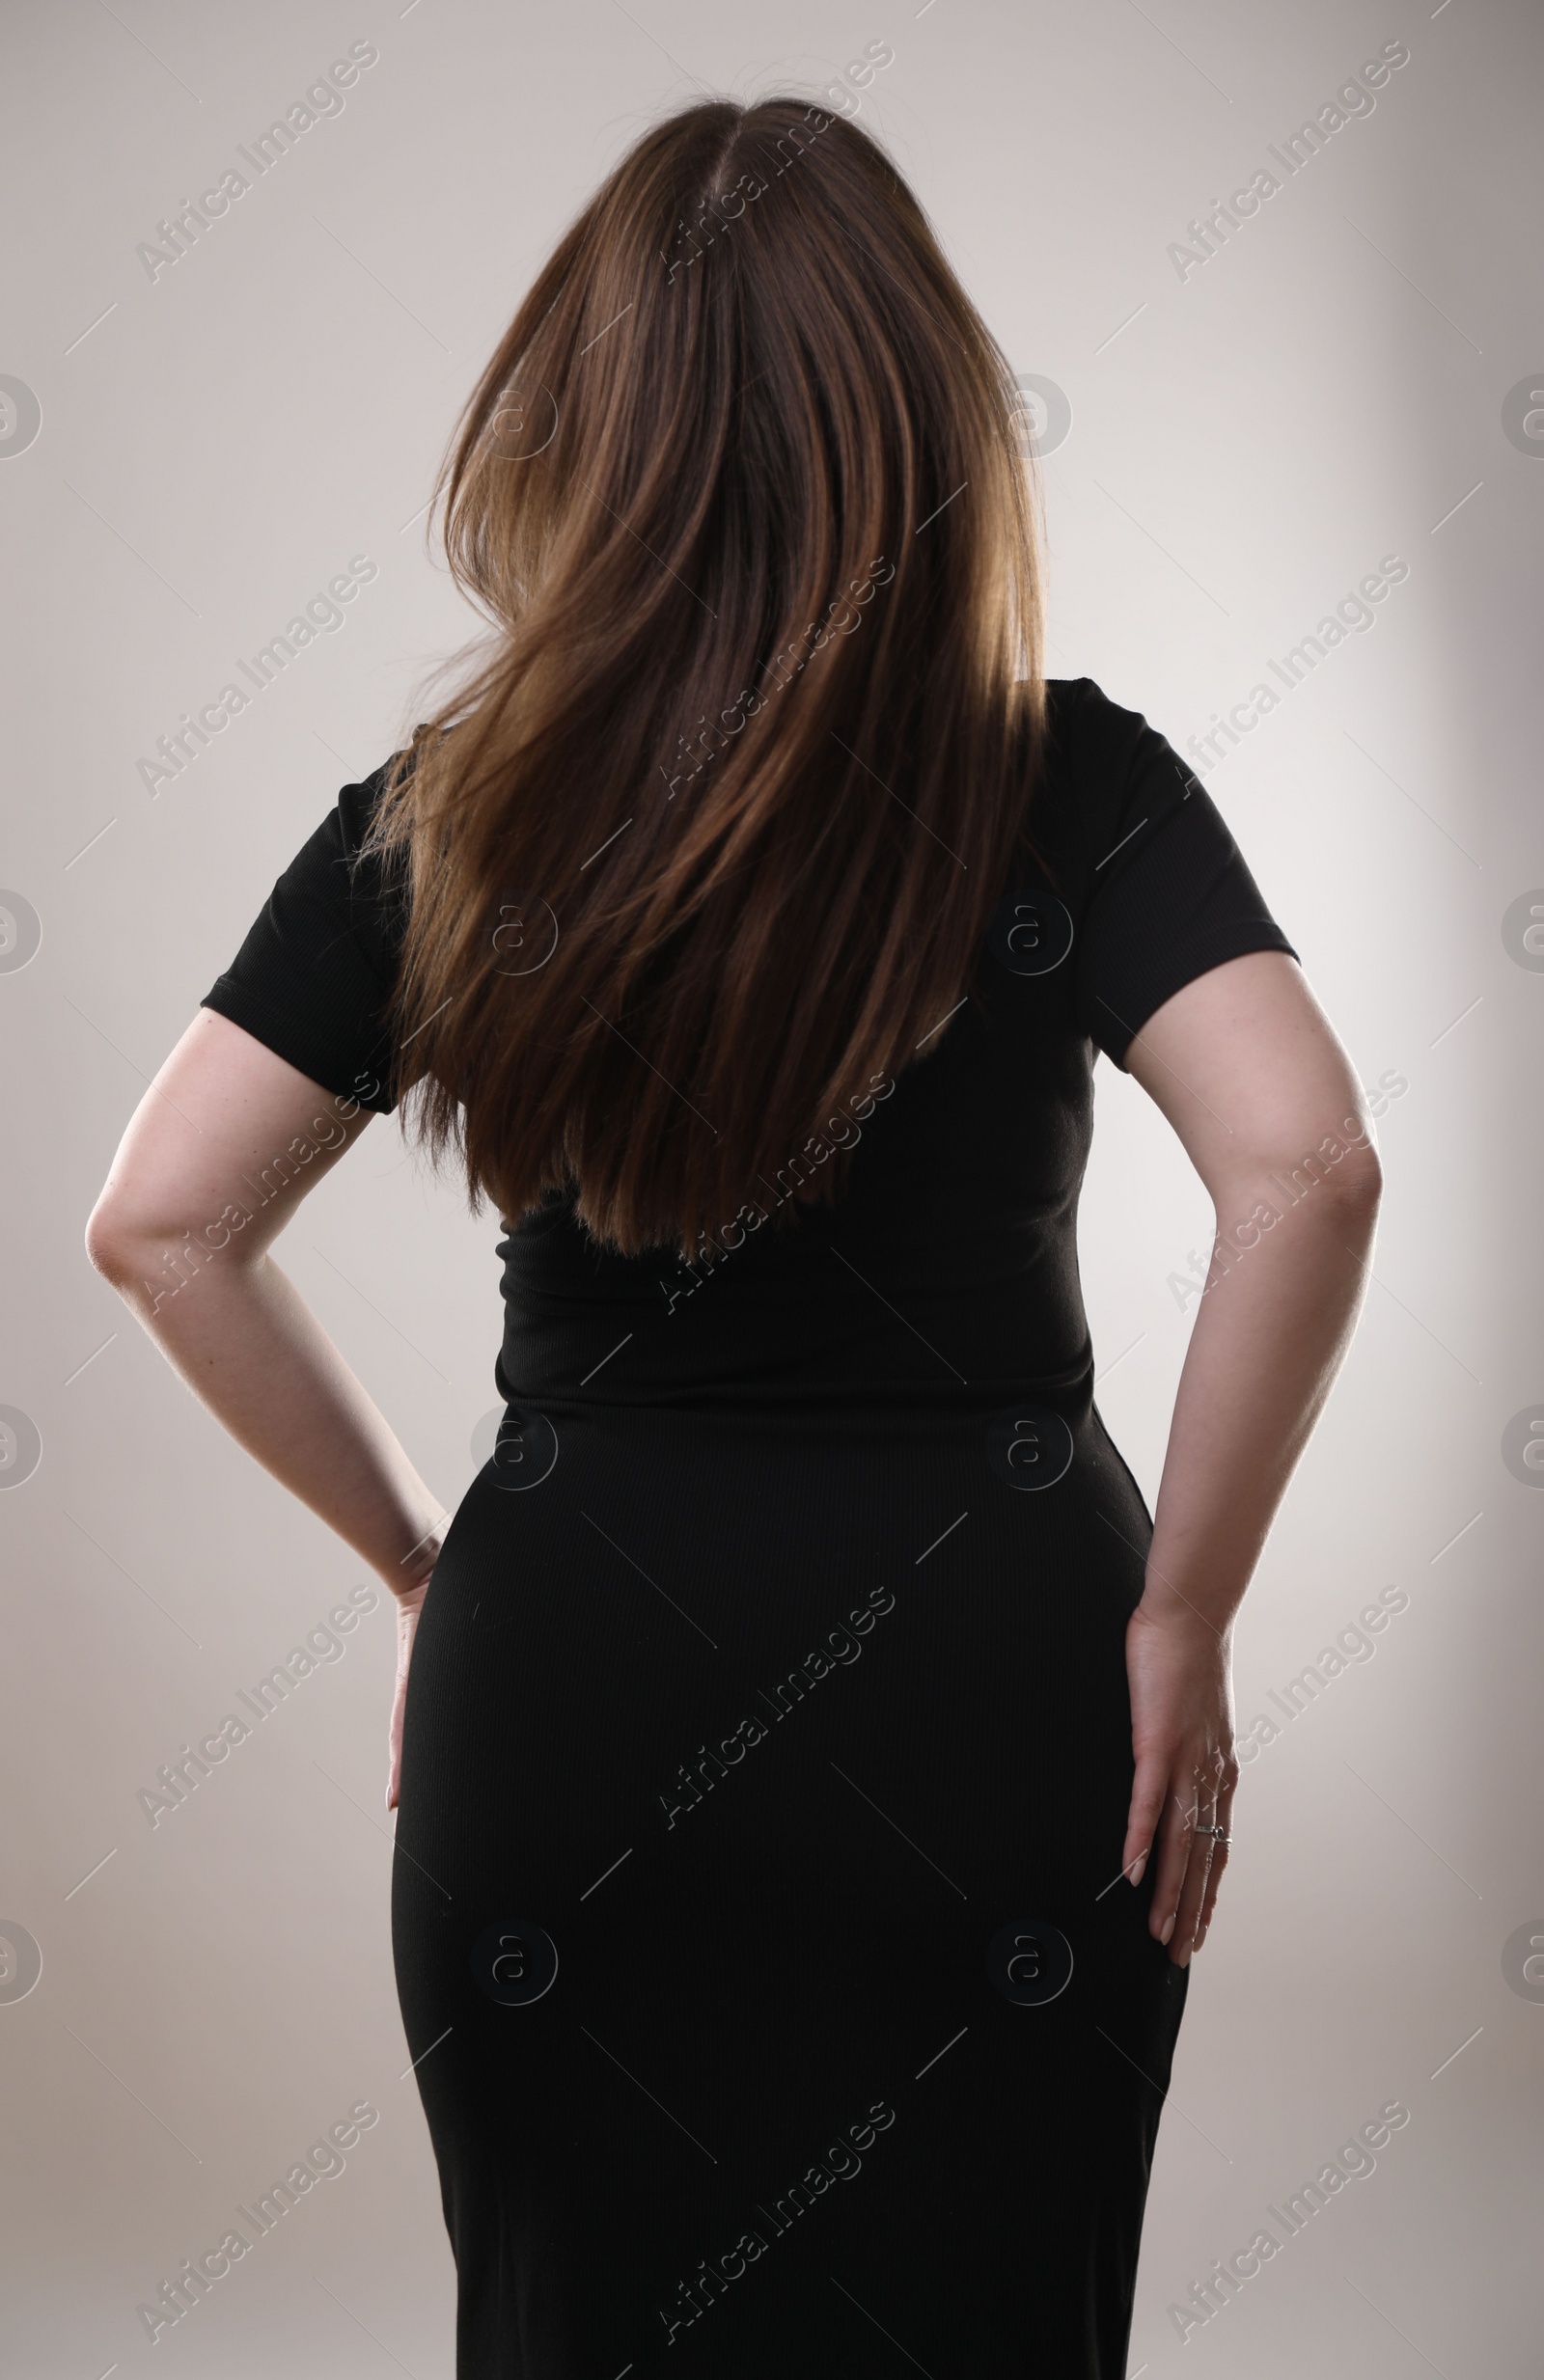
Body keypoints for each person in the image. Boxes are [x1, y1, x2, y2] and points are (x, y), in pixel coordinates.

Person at [85, 93, 1381, 2380]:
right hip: (1006, 1697)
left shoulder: (449, 821)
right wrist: (1182, 1605)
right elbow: (1304, 1168)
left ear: (579, 428)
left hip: (566, 1685)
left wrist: (420, 1569)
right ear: (924, 425)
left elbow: (164, 1222)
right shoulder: (1068, 778)